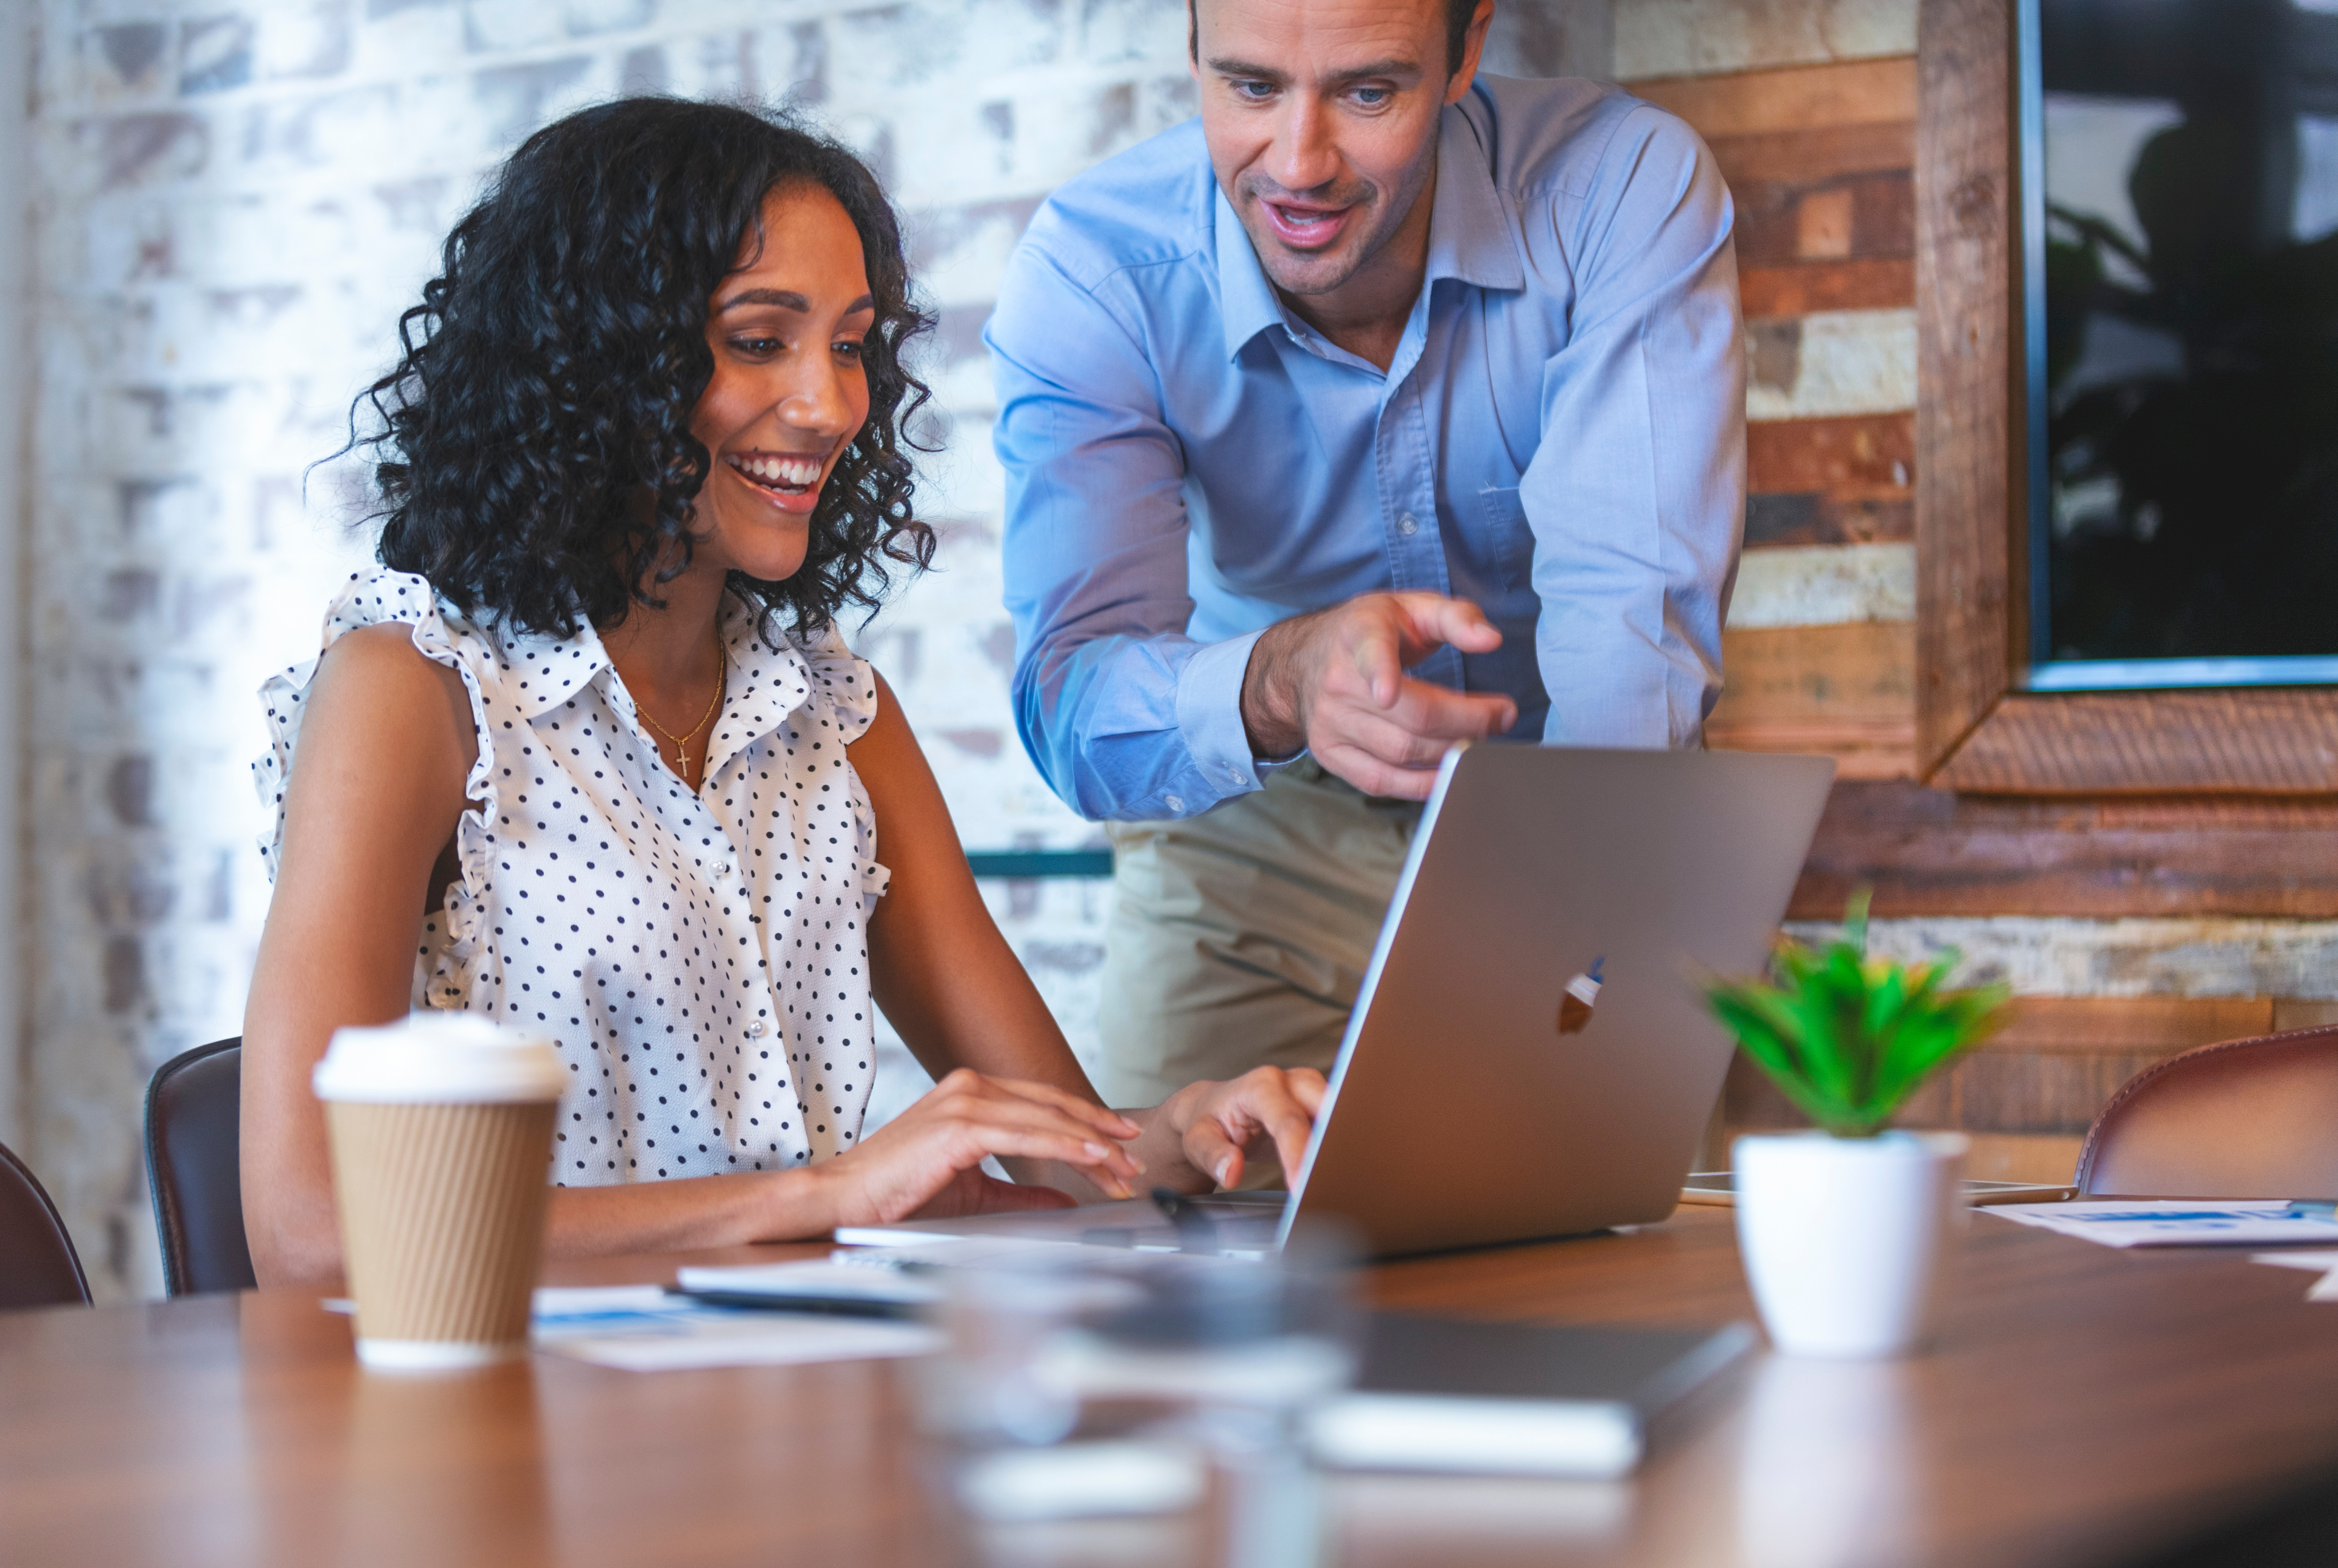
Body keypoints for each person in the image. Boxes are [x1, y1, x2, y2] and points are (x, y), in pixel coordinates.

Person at [241, 99, 1323, 1289]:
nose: (828, 405)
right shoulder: (414, 687)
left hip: (784, 1403)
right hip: (519, 1424)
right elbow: (311, 1228)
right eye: (759, 340)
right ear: (599, 361)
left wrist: (1182, 1134)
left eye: (851, 344)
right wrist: (824, 1197)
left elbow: (1072, 1154)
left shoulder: (833, 713)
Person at [988, 0, 1745, 1106]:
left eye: (1367, 92)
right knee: (1192, 1250)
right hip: (1253, 841)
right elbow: (1076, 708)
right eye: (1249, 87)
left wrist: (1582, 975)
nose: (1298, 165)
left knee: (1620, 1249)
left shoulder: (1618, 189)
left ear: (1466, 50)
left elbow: (1632, 645)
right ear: (1191, 47)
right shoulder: (1097, 275)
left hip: (1573, 800)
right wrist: (1284, 678)